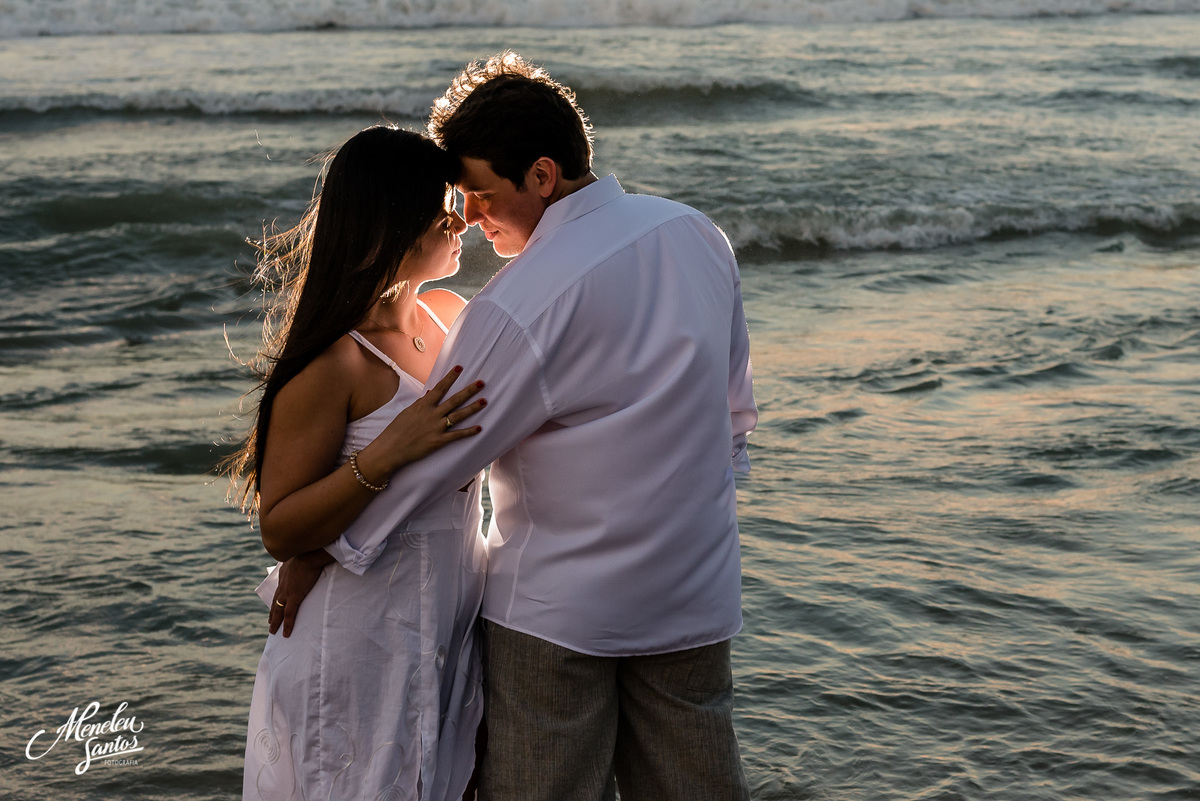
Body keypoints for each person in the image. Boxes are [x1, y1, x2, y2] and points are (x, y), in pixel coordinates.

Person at [274, 52, 758, 800]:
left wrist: (328, 547)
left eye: (478, 194)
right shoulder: (697, 235)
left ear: (541, 175)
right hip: (693, 592)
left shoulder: (520, 300)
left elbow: (444, 453)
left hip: (558, 616)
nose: (468, 217)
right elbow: (734, 419)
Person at [227, 124, 490, 801]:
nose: (462, 222)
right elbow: (281, 528)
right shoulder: (335, 363)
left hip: (439, 636)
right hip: (357, 643)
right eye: (445, 211)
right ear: (396, 223)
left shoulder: (450, 319)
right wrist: (386, 451)